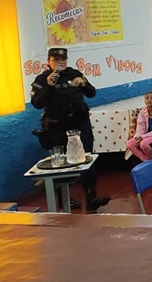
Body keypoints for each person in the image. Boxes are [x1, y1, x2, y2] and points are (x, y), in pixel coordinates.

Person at [30, 48, 110, 212]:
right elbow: (37, 103)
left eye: (63, 59)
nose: (61, 62)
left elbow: (91, 93)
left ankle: (91, 198)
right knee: (61, 163)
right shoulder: (42, 79)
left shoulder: (74, 73)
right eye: (56, 59)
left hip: (80, 123)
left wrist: (84, 84)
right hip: (58, 126)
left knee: (88, 158)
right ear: (49, 61)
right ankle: (63, 200)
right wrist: (49, 87)